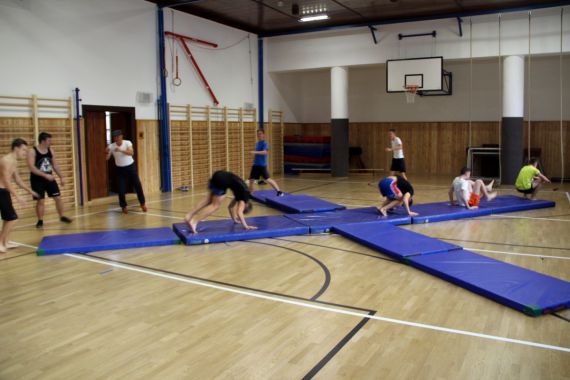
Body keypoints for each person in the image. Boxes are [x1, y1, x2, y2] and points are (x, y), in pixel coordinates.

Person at [185, 170, 256, 234]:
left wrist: (234, 220)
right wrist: (246, 226)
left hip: (218, 175)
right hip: (222, 181)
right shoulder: (245, 198)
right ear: (246, 205)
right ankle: (194, 221)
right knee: (215, 206)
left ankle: (189, 215)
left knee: (208, 200)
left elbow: (230, 207)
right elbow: (239, 213)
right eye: (242, 207)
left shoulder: (241, 194)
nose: (240, 206)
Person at [0, 139, 39, 253]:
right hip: (1, 191)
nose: (25, 153)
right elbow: (6, 181)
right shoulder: (5, 160)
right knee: (12, 218)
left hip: (4, 191)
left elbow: (17, 180)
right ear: (16, 148)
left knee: (8, 218)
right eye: (24, 150)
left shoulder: (14, 161)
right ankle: (0, 243)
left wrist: (30, 191)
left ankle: (6, 242)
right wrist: (17, 196)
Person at [27, 132, 72, 228]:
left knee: (58, 198)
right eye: (49, 140)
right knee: (41, 201)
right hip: (37, 180)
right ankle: (40, 221)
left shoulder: (50, 150)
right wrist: (45, 175)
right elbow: (32, 168)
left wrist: (61, 177)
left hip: (49, 178)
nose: (50, 142)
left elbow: (54, 165)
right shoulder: (33, 151)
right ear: (43, 141)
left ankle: (62, 216)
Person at [106, 130, 147, 214]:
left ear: (121, 136)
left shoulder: (127, 143)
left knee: (137, 185)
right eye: (115, 137)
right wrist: (107, 152)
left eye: (118, 136)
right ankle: (123, 206)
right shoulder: (112, 146)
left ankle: (142, 203)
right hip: (120, 169)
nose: (116, 138)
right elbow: (107, 157)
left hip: (130, 167)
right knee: (121, 189)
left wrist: (120, 150)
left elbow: (131, 153)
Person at [248, 129, 283, 196]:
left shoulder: (265, 143)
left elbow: (265, 152)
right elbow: (258, 154)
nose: (259, 135)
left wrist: (254, 152)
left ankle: (279, 191)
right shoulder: (257, 143)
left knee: (267, 179)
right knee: (251, 179)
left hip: (262, 165)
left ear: (263, 134)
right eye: (258, 134)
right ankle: (250, 193)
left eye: (260, 133)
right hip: (255, 165)